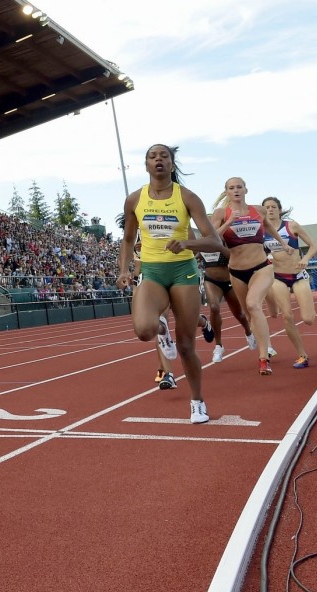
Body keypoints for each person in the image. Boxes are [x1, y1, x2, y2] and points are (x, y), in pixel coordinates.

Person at [117, 145, 222, 424]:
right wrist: (124, 270)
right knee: (143, 330)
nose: (158, 160)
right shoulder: (134, 199)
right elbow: (128, 239)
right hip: (151, 271)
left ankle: (197, 402)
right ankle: (161, 328)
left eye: (164, 156)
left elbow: (215, 242)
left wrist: (187, 242)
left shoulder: (187, 197)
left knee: (186, 346)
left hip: (183, 272)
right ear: (146, 165)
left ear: (172, 165)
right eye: (153, 157)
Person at [210, 178, 292, 375]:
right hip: (237, 271)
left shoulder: (258, 210)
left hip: (261, 266)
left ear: (246, 189)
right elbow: (213, 237)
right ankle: (266, 343)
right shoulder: (221, 213)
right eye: (232, 188)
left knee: (254, 304)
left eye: (239, 187)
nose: (236, 190)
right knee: (249, 314)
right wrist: (229, 222)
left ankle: (264, 358)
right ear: (226, 192)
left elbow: (269, 226)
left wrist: (283, 242)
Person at [262, 196, 317, 369]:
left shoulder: (291, 226)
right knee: (287, 316)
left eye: (273, 207)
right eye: (266, 208)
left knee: (308, 319)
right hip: (277, 277)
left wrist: (306, 259)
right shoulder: (261, 231)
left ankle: (308, 312)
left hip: (298, 275)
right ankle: (302, 355)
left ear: (279, 209)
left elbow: (314, 246)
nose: (270, 210)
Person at [198, 244, 255, 364]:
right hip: (211, 281)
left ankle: (248, 332)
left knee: (239, 314)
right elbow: (195, 254)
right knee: (214, 307)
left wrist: (219, 247)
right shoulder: (200, 241)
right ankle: (218, 345)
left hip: (229, 281)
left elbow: (233, 255)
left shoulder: (222, 240)